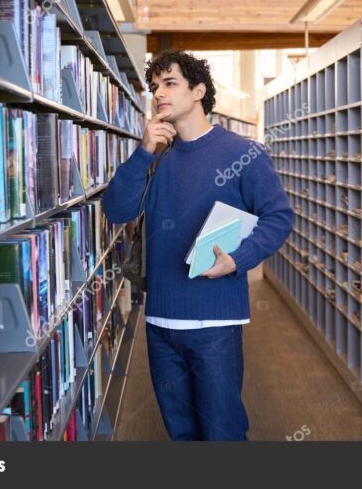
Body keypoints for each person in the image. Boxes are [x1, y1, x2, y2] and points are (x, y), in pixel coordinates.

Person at [102, 50, 294, 441]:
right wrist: (143, 153)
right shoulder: (155, 157)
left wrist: (237, 260)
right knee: (181, 432)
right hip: (160, 320)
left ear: (199, 91)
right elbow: (117, 210)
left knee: (222, 431)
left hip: (215, 322)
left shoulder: (242, 153)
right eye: (155, 87)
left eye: (170, 83)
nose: (159, 94)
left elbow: (279, 217)